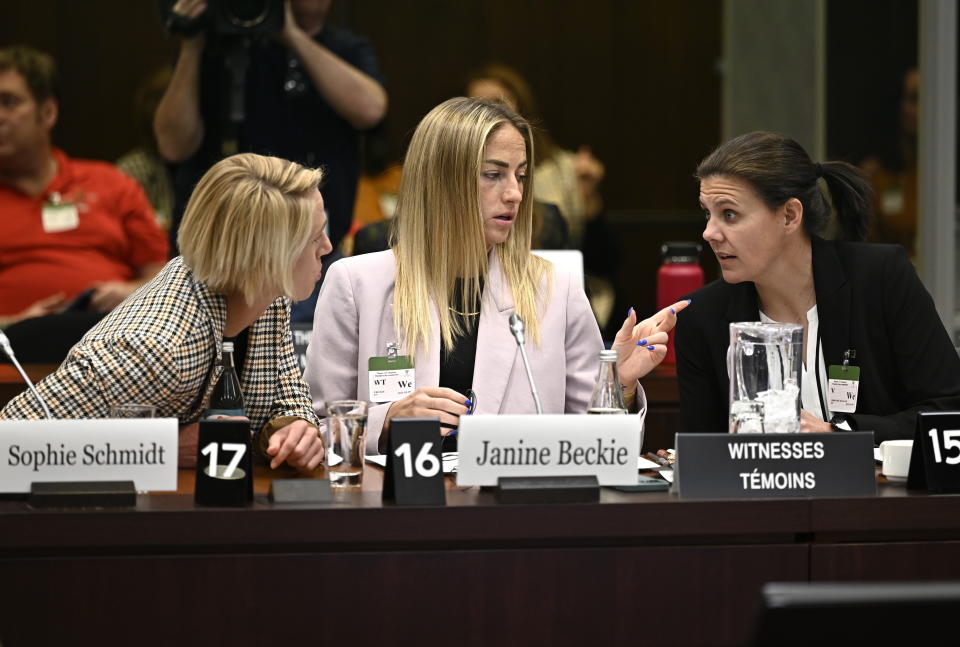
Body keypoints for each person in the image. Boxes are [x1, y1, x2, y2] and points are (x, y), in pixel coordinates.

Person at [305, 97, 687, 454]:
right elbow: (316, 431)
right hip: (398, 514)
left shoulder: (555, 288)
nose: (515, 194)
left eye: (520, 176)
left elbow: (598, 447)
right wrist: (386, 422)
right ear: (441, 181)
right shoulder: (356, 285)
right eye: (494, 175)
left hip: (515, 515)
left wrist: (616, 386)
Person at [1, 153, 329, 472]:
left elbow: (284, 385)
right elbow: (11, 446)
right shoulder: (155, 349)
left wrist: (293, 425)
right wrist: (163, 447)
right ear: (269, 258)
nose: (327, 248)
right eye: (315, 237)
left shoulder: (268, 293)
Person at [676, 131, 960, 443]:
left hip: (881, 489)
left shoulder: (880, 278)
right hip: (764, 489)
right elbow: (699, 453)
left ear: (789, 215)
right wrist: (626, 386)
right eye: (708, 213)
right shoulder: (702, 316)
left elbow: (947, 410)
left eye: (729, 214)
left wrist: (836, 433)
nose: (709, 233)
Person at [154, 0, 386, 262]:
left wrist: (290, 34)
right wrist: (191, 45)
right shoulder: (215, 44)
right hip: (215, 247)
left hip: (305, 249)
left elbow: (371, 110)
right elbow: (173, 146)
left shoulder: (345, 47)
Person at [0, 46, 168, 358]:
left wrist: (132, 292)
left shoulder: (110, 182)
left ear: (47, 112)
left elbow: (163, 276)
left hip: (113, 343)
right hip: (13, 353)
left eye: (9, 102)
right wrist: (11, 323)